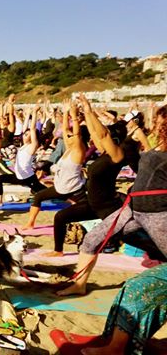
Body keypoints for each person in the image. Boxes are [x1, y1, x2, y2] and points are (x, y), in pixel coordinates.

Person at [57, 105, 167, 298]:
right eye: (156, 121)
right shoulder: (157, 144)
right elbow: (101, 134)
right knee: (91, 239)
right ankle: (79, 284)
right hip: (132, 206)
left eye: (159, 122)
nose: (155, 125)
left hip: (156, 211)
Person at [45, 94, 141, 257]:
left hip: (107, 206)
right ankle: (58, 251)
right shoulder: (104, 152)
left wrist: (89, 110)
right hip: (92, 204)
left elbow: (102, 134)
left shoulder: (117, 156)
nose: (101, 139)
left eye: (108, 137)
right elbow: (96, 133)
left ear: (114, 139)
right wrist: (80, 114)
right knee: (61, 217)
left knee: (129, 237)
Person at [22, 99, 86, 230]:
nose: (67, 136)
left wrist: (74, 116)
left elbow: (77, 134)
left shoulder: (79, 151)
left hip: (74, 189)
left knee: (89, 209)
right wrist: (66, 111)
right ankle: (30, 223)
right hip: (60, 188)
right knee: (38, 196)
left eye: (70, 136)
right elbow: (65, 129)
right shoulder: (69, 148)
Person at [0, 106, 46, 206]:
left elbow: (33, 128)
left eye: (27, 134)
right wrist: (27, 115)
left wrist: (34, 113)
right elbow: (25, 127)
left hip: (28, 177)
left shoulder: (32, 146)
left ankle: (67, 197)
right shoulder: (23, 145)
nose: (25, 135)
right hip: (19, 176)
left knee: (45, 192)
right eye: (25, 134)